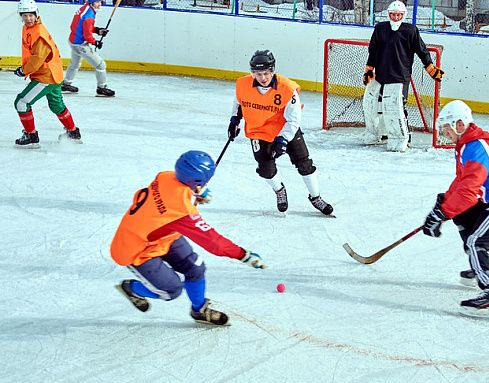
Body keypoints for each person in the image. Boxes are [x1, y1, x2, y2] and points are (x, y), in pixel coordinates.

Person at [110, 150, 267, 326]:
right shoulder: (182, 213)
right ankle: (130, 288)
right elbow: (213, 242)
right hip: (137, 248)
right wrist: (243, 255)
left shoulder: (166, 176)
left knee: (196, 269)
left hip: (161, 234)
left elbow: (175, 191)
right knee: (172, 290)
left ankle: (199, 310)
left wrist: (199, 191)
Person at [422, 100, 489, 319]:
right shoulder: (466, 145)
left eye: (446, 126)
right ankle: (480, 264)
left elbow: (469, 190)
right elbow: (461, 183)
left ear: (460, 124)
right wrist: (443, 205)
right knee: (462, 214)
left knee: (476, 241)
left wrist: (442, 214)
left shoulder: (477, 147)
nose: (444, 131)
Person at [228, 49, 334, 216]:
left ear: (273, 70)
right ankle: (279, 190)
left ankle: (316, 197)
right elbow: (238, 102)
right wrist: (234, 120)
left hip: (286, 130)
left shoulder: (286, 88)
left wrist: (282, 140)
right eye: (258, 74)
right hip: (259, 132)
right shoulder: (243, 84)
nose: (262, 78)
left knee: (304, 163)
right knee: (265, 170)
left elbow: (293, 120)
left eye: (266, 73)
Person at [363, 0, 444, 152]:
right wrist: (369, 69)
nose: (395, 18)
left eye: (398, 15)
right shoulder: (380, 28)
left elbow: (422, 50)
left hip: (400, 77)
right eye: (393, 15)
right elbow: (373, 50)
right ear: (389, 14)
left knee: (397, 106)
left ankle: (403, 137)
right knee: (375, 104)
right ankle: (380, 133)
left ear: (403, 15)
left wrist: (430, 67)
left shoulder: (410, 31)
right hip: (381, 75)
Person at [13, 0, 81, 149]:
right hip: (54, 73)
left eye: (31, 15)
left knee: (21, 102)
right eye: (25, 15)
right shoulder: (29, 28)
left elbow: (37, 59)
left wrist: (23, 70)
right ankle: (73, 133)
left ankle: (31, 136)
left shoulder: (39, 34)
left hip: (46, 76)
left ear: (36, 14)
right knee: (57, 105)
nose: (28, 18)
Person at [62, 0, 115, 97]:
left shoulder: (85, 8)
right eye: (97, 2)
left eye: (100, 2)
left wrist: (97, 30)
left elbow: (82, 26)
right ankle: (101, 88)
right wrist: (96, 42)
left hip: (73, 41)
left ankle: (66, 84)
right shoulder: (89, 15)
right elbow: (87, 35)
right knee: (100, 65)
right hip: (81, 45)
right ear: (92, 2)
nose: (100, 5)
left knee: (75, 64)